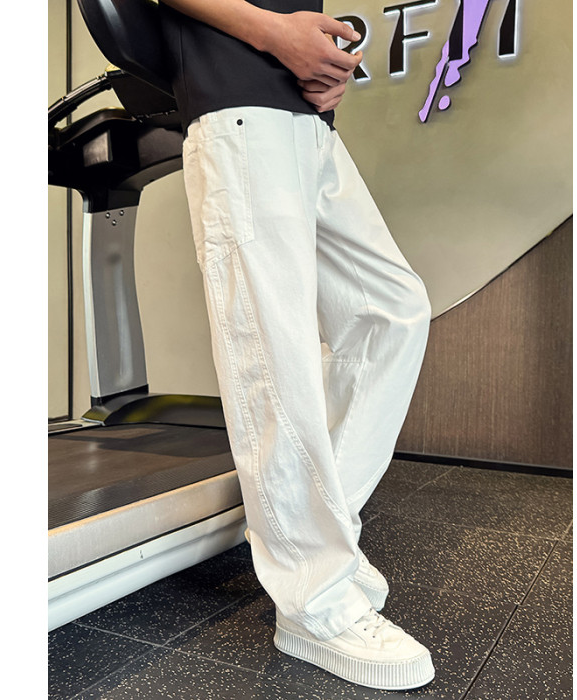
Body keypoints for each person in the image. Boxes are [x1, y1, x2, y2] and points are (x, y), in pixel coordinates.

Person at [158, 0, 434, 690]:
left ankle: (313, 537)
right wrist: (276, 33)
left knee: (392, 311)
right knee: (272, 353)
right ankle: (315, 602)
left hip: (306, 122)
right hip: (235, 108)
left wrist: (322, 70)